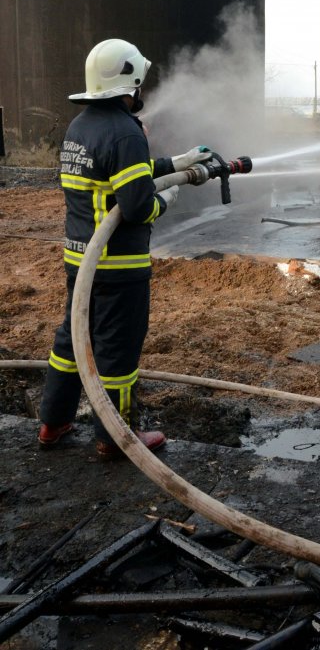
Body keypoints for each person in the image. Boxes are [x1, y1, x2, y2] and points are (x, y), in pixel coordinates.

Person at [38, 38, 211, 460]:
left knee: (73, 340)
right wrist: (167, 199)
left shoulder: (82, 126)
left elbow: (122, 172)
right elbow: (135, 205)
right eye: (140, 84)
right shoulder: (125, 132)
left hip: (81, 261)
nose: (142, 92)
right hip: (119, 266)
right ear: (129, 83)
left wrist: (179, 162)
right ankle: (119, 436)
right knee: (118, 351)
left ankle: (52, 421)